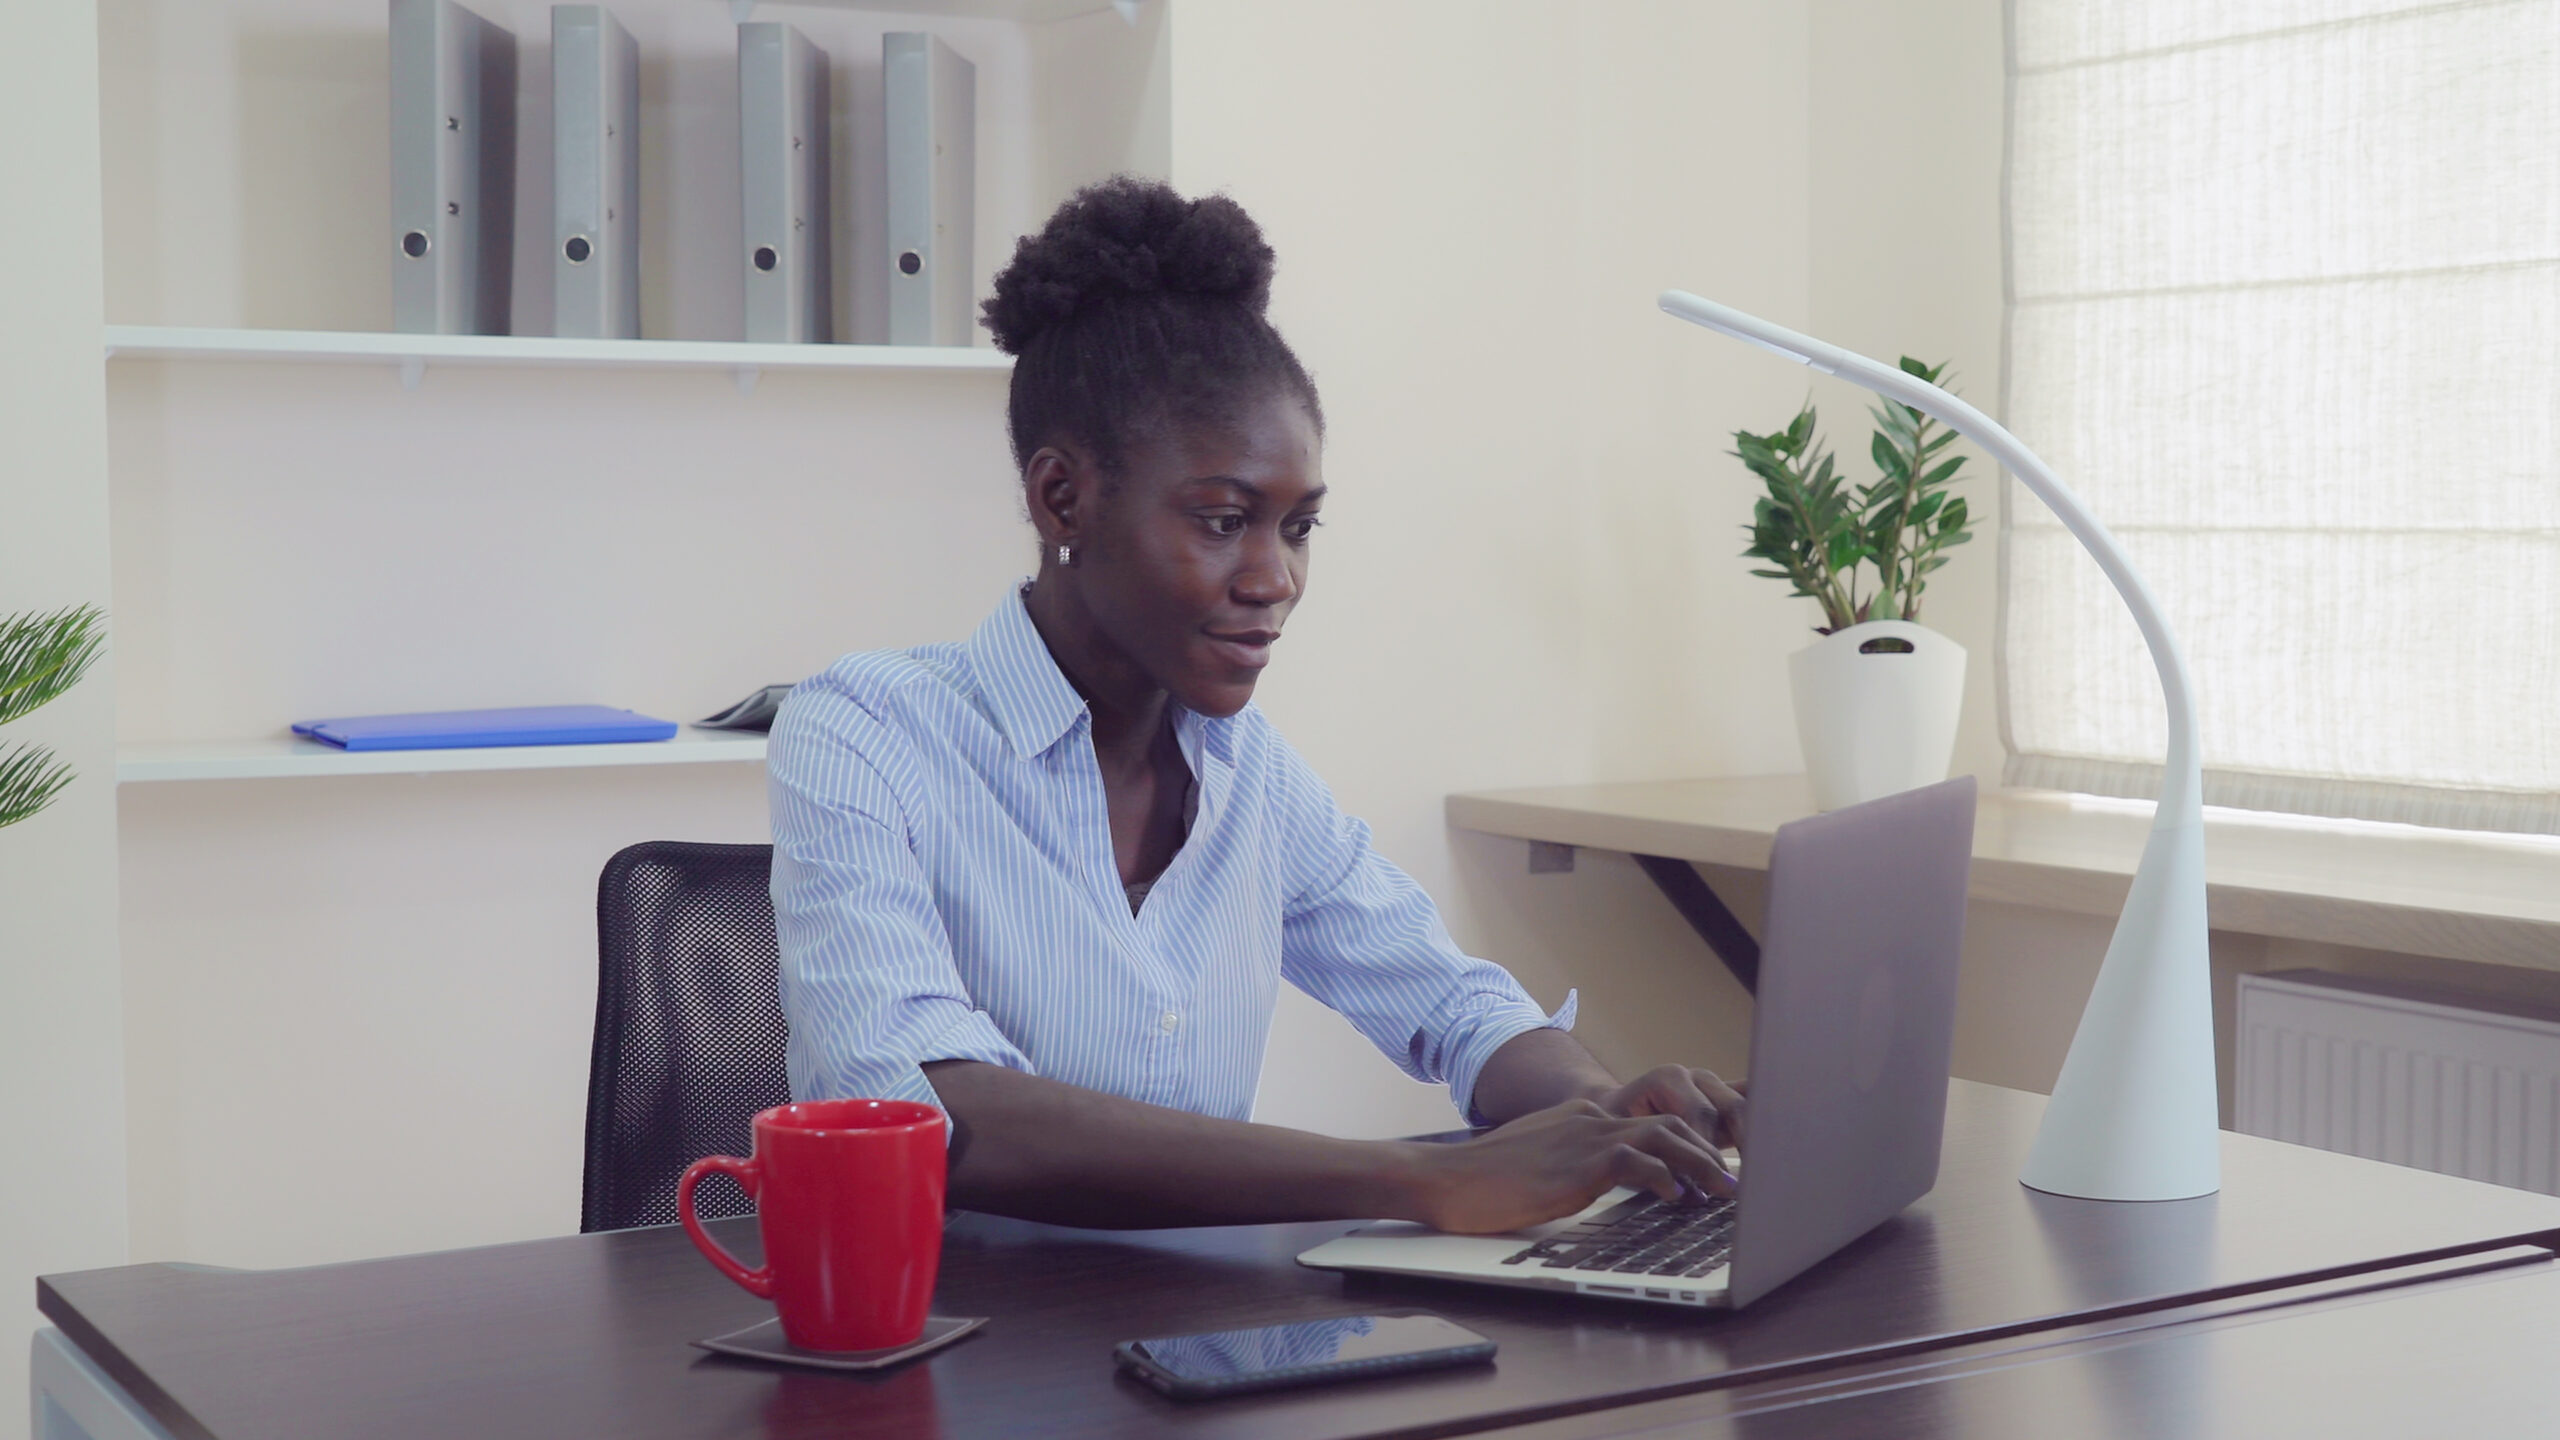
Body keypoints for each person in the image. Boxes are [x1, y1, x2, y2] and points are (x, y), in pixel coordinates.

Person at [769, 176, 1741, 1235]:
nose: (1275, 576)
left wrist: (1603, 1116)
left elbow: (1456, 1005)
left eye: (1299, 527)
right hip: (953, 1351)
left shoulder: (1249, 773)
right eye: (1226, 519)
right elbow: (940, 1110)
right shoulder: (864, 731)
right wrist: (1419, 1178)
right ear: (1064, 499)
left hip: (1194, 1350)